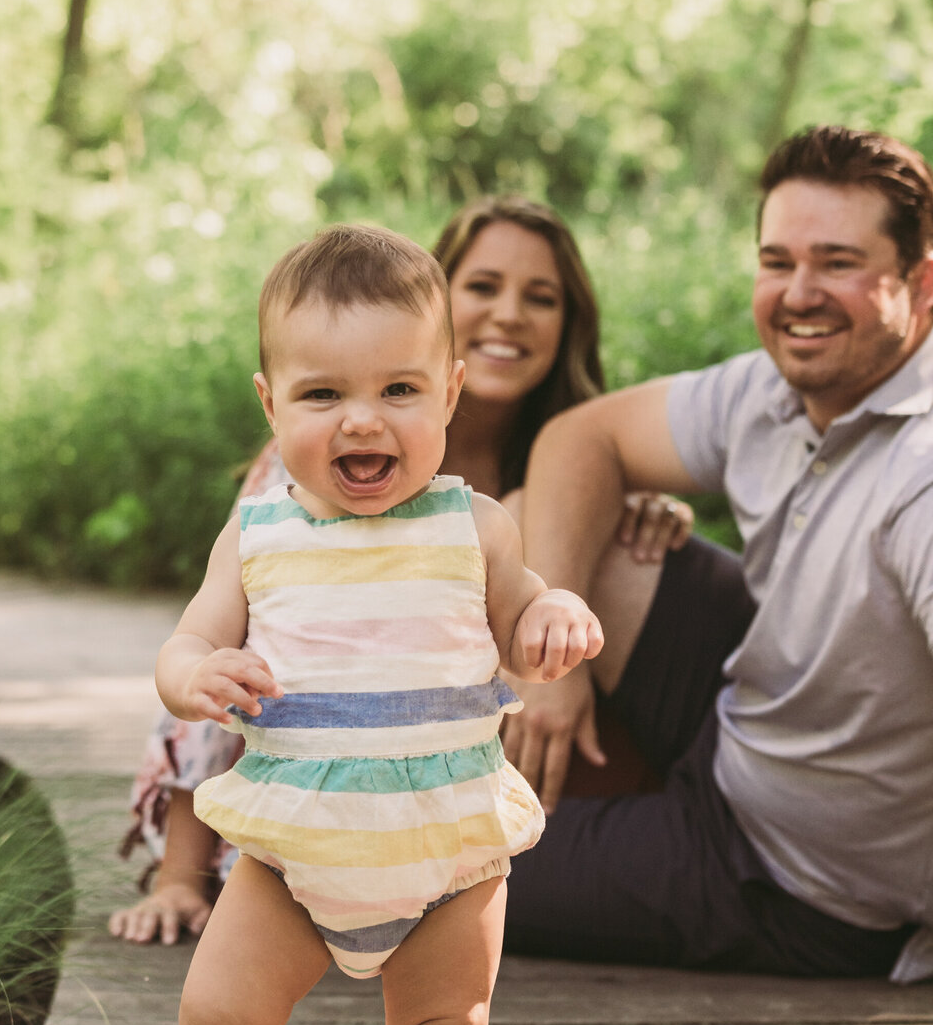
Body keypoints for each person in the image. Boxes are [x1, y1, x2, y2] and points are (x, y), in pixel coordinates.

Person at [135, 225, 602, 1025]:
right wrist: (194, 673)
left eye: (399, 387)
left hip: (449, 857)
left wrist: (552, 618)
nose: (362, 417)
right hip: (292, 859)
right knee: (215, 1014)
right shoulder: (254, 537)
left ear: (449, 395)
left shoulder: (472, 525)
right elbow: (186, 641)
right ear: (271, 404)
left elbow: (525, 611)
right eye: (321, 394)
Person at [111, 198, 691, 945]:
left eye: (540, 297)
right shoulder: (302, 480)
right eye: (484, 286)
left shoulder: (562, 462)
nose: (510, 314)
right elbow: (221, 651)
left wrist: (632, 517)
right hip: (318, 783)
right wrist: (178, 879)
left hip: (454, 792)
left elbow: (533, 611)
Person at [506, 125, 933, 982]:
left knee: (430, 863)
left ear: (921, 283)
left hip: (791, 878)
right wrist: (550, 668)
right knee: (526, 519)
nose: (798, 294)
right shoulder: (771, 387)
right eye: (778, 262)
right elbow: (580, 440)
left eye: (838, 263)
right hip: (748, 717)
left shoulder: (921, 476)